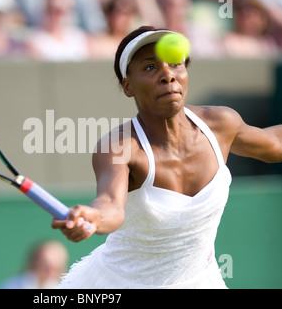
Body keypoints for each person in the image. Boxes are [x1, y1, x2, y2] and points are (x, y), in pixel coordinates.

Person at [51, 26, 282, 289]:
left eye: (175, 64)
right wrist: (94, 216)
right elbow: (111, 206)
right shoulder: (119, 147)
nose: (168, 76)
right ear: (128, 86)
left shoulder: (221, 124)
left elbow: (274, 145)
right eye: (150, 67)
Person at [0, 240, 68, 289]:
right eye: (45, 267)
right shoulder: (11, 286)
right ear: (34, 263)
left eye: (56, 269)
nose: (50, 273)